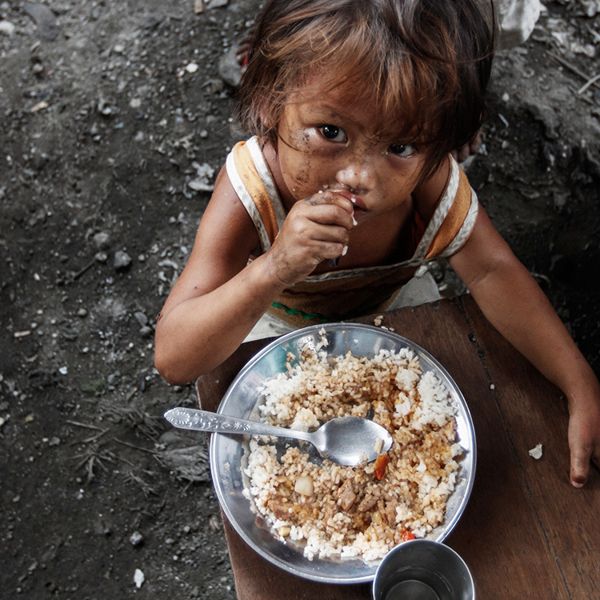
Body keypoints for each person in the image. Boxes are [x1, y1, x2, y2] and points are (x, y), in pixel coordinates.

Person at [155, 0, 600, 498]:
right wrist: (274, 268)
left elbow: (493, 271)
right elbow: (174, 356)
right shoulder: (251, 190)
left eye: (401, 147)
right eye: (330, 132)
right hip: (274, 316)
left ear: (441, 146)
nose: (359, 177)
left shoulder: (428, 189)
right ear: (268, 100)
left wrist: (577, 379)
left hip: (392, 312)